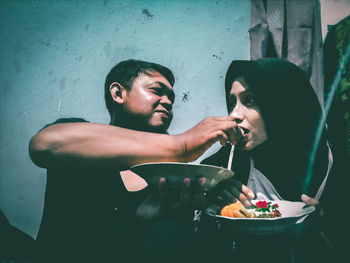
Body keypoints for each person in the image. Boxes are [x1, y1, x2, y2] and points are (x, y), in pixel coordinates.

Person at [29, 59, 242, 263]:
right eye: (157, 91)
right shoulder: (77, 139)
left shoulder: (173, 173)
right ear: (118, 93)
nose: (168, 102)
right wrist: (183, 146)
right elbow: (45, 145)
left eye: (172, 98)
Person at [199, 58, 345, 262]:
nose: (234, 114)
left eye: (249, 100)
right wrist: (211, 198)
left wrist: (325, 228)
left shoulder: (338, 165)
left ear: (281, 101)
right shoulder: (229, 164)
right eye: (232, 103)